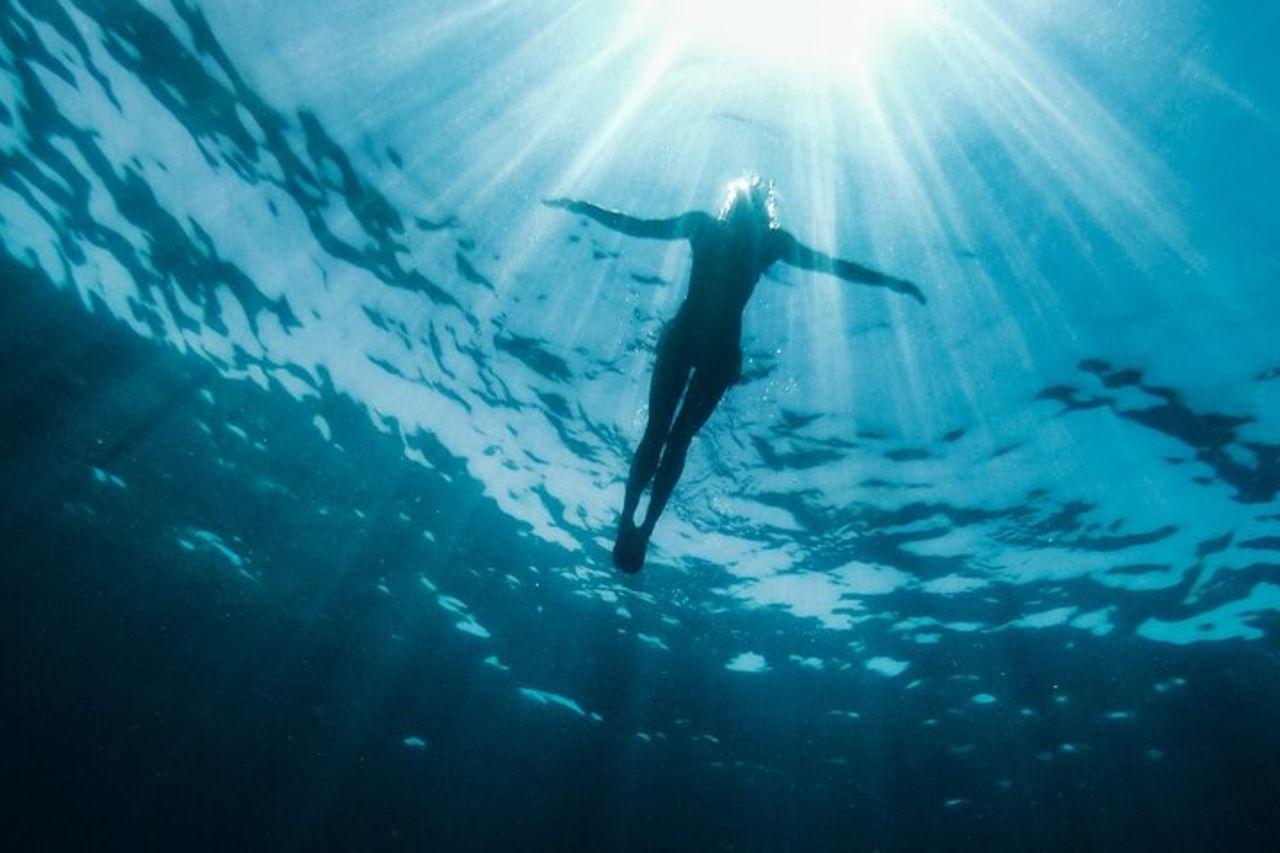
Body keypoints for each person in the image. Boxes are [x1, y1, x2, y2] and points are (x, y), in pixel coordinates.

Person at [545, 174, 924, 573]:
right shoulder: (733, 233)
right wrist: (580, 206)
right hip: (704, 346)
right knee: (666, 436)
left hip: (706, 347)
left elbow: (835, 267)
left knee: (671, 438)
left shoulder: (752, 238)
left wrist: (893, 283)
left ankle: (640, 525)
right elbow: (636, 225)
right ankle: (631, 522)